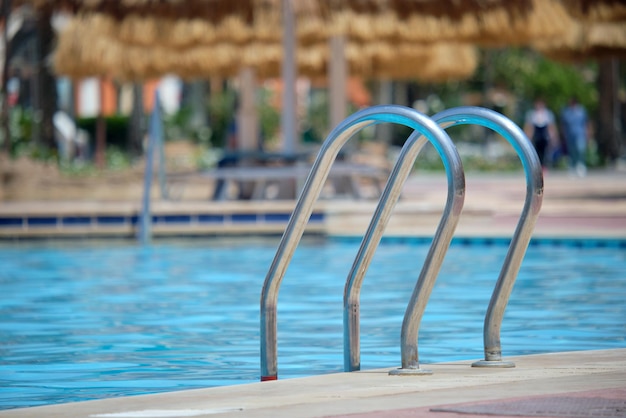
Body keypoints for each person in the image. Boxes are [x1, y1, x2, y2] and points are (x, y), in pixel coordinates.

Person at [524, 98, 558, 169]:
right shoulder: (532, 114)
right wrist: (528, 137)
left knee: (544, 152)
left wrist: (553, 137)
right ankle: (537, 166)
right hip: (536, 135)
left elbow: (550, 127)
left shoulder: (548, 114)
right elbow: (530, 127)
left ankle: (544, 166)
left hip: (544, 135)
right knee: (536, 151)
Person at [560, 97, 588, 177]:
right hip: (570, 135)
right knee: (572, 151)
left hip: (580, 134)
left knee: (580, 149)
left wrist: (588, 133)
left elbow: (586, 123)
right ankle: (572, 166)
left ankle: (581, 165)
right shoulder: (566, 112)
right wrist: (563, 134)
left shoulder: (581, 111)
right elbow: (563, 125)